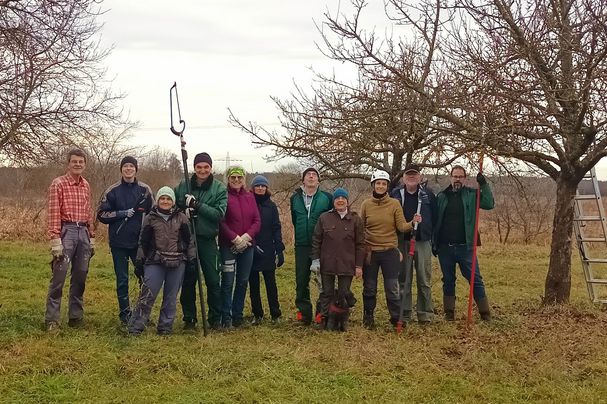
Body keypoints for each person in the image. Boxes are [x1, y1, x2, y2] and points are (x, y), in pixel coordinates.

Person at [128, 187, 195, 335]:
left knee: (171, 297)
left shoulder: (181, 217)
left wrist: (191, 259)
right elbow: (143, 241)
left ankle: (165, 327)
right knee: (148, 294)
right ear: (157, 200)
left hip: (178, 261)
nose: (165, 201)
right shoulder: (150, 218)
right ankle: (136, 326)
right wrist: (140, 261)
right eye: (162, 198)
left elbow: (189, 240)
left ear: (173, 201)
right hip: (155, 261)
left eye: (168, 199)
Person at [360, 169, 421, 329]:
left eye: (383, 184)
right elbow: (361, 228)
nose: (380, 186)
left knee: (392, 288)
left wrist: (413, 223)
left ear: (387, 186)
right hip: (371, 252)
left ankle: (396, 318)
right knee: (369, 287)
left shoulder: (394, 204)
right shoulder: (366, 204)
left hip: (389, 251)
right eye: (378, 183)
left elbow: (401, 226)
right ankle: (368, 317)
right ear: (373, 185)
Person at [97, 156, 154, 325]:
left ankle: (143, 314)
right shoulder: (112, 191)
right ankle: (125, 315)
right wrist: (121, 213)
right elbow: (101, 214)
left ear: (136, 169)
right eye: (125, 166)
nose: (128, 169)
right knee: (122, 280)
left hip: (140, 244)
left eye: (131, 166)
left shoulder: (145, 190)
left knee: (145, 279)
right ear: (121, 169)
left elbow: (154, 214)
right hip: (119, 243)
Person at [434, 165, 494, 321]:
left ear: (465, 178)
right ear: (450, 177)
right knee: (448, 280)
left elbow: (489, 203)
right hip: (445, 248)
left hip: (466, 247)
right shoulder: (442, 196)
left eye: (460, 176)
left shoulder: (472, 195)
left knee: (475, 280)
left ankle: (485, 314)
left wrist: (484, 184)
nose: (457, 179)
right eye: (455, 176)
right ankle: (449, 313)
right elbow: (435, 220)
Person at [175, 152, 227, 330]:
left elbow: (219, 214)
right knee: (189, 280)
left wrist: (198, 206)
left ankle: (215, 318)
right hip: (188, 239)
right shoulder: (184, 185)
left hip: (207, 239)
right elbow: (173, 207)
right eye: (199, 167)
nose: (202, 170)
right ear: (194, 168)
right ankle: (189, 318)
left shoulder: (219, 188)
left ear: (211, 168)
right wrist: (183, 211)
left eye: (206, 167)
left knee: (213, 280)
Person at [45, 149, 95, 331]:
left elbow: (88, 211)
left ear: (85, 164)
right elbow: (53, 212)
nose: (78, 164)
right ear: (68, 163)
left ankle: (75, 316)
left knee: (80, 275)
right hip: (66, 231)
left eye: (81, 162)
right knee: (59, 276)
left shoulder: (86, 185)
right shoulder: (58, 184)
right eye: (74, 161)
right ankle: (52, 320)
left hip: (83, 231)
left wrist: (92, 236)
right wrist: (55, 239)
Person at [311, 187, 365, 331]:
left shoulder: (355, 219)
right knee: (326, 293)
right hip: (327, 263)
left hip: (347, 263)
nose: (340, 201)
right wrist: (315, 261)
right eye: (337, 198)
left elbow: (360, 244)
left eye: (343, 198)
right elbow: (316, 240)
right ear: (333, 202)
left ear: (347, 201)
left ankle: (342, 320)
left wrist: (359, 266)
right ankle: (324, 319)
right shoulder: (324, 218)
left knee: (343, 293)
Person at [390, 163, 437, 325]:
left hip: (422, 241)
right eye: (408, 174)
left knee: (424, 279)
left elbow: (435, 217)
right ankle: (405, 313)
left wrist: (431, 235)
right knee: (404, 279)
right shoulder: (395, 194)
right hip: (402, 241)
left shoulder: (428, 195)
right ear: (403, 177)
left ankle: (425, 314)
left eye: (415, 175)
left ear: (420, 177)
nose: (411, 177)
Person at [290, 167, 333, 325]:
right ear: (303, 180)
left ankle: (321, 313)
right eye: (308, 174)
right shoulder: (295, 198)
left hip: (321, 245)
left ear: (318, 180)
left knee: (322, 280)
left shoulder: (326, 197)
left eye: (314, 175)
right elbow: (295, 219)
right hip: (301, 245)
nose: (311, 176)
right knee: (301, 280)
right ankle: (304, 313)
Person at [218, 166, 261, 328]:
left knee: (242, 281)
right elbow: (221, 221)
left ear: (244, 179)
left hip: (248, 246)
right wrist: (235, 238)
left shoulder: (249, 197)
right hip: (228, 246)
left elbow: (257, 220)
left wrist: (246, 237)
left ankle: (237, 316)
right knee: (228, 282)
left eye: (239, 177)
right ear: (228, 179)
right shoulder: (224, 196)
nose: (236, 180)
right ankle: (225, 317)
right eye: (233, 177)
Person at [249, 175, 285, 324]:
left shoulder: (271, 206)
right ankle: (257, 314)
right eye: (258, 186)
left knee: (271, 283)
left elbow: (276, 227)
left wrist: (279, 248)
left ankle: (275, 314)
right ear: (253, 188)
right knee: (253, 284)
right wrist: (251, 243)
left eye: (263, 186)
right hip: (251, 247)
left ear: (266, 188)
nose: (260, 188)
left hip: (268, 248)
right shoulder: (248, 203)